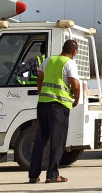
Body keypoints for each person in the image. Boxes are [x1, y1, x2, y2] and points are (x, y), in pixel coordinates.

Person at [29, 39, 81, 183]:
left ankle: (33, 175)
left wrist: (41, 93)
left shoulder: (48, 60)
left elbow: (39, 79)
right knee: (57, 141)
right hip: (59, 105)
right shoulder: (69, 63)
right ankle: (52, 175)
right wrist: (76, 100)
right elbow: (75, 85)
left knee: (40, 140)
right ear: (74, 52)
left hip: (43, 104)